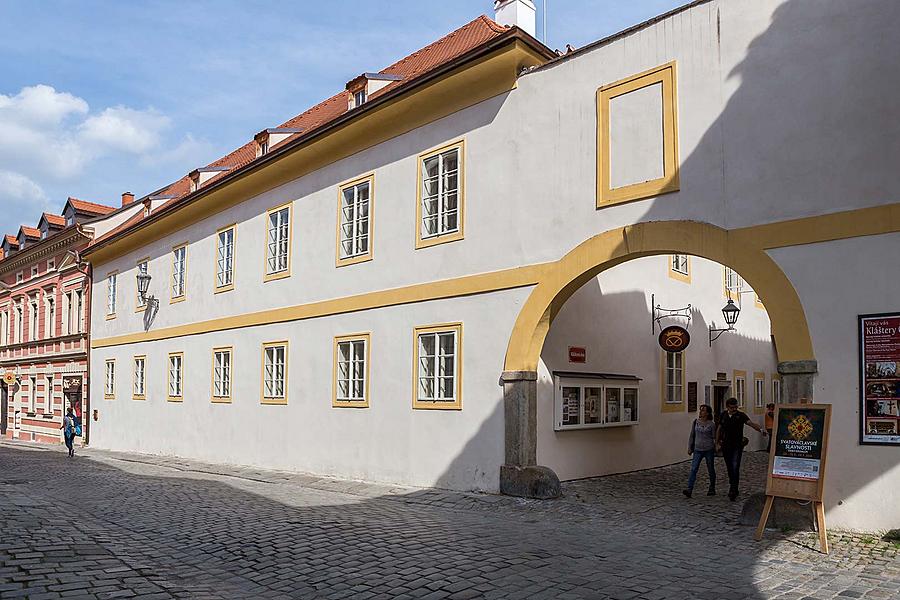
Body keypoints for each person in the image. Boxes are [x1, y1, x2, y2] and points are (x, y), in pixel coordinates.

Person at [716, 397, 766, 501]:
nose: (734, 409)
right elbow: (719, 429)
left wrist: (761, 430)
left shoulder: (740, 415)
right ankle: (733, 484)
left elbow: (750, 424)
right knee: (729, 466)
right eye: (732, 407)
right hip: (726, 445)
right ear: (727, 407)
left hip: (737, 445)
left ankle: (733, 489)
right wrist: (716, 442)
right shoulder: (723, 415)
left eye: (735, 407)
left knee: (735, 465)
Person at [683, 404, 717, 498]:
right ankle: (689, 489)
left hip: (708, 449)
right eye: (700, 410)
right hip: (697, 449)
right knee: (693, 469)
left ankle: (712, 487)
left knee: (710, 469)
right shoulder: (696, 422)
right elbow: (692, 435)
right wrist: (690, 447)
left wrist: (716, 446)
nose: (701, 412)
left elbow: (714, 437)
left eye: (703, 410)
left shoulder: (711, 424)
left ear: (707, 413)